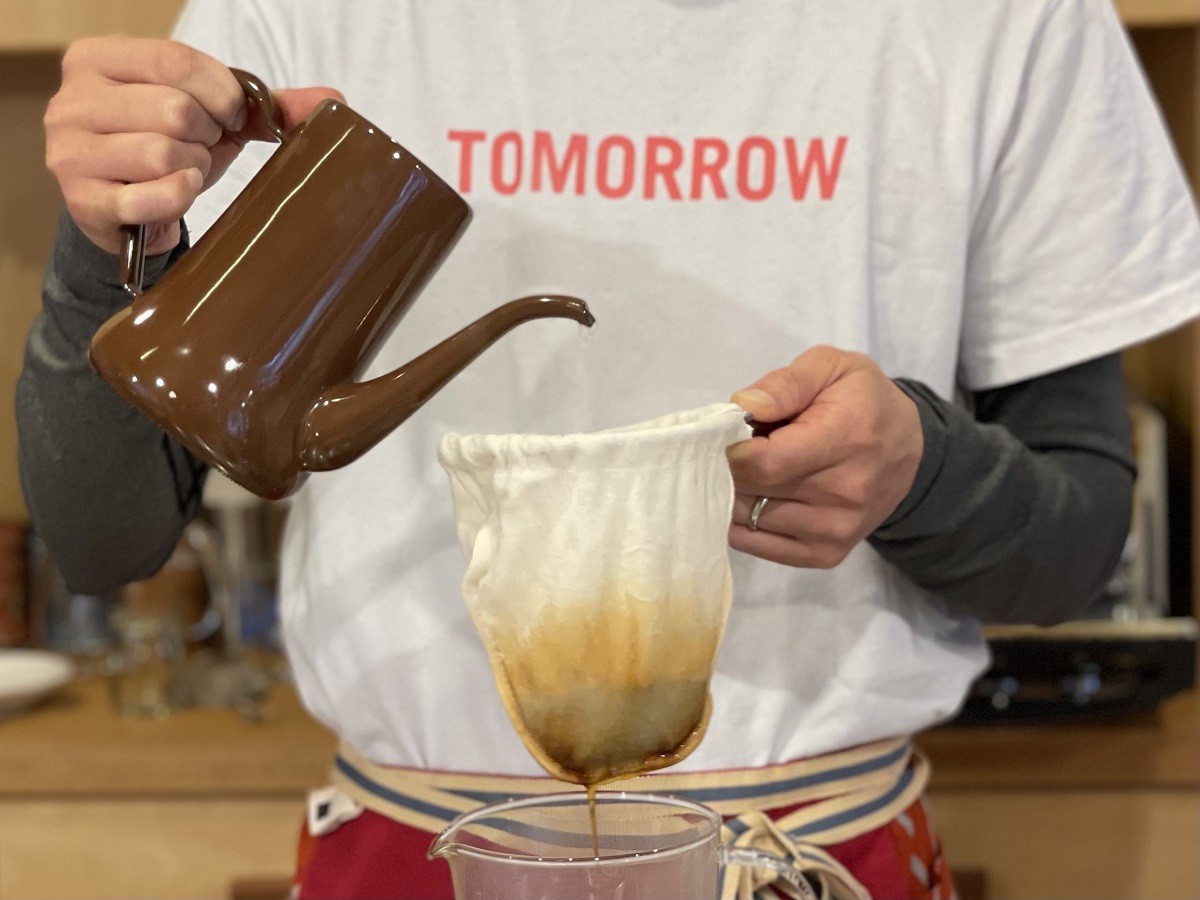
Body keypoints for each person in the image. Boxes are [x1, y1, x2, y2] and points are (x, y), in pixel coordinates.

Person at [19, 0, 1200, 897]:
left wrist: (922, 470)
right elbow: (106, 537)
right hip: (414, 853)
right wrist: (106, 244)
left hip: (804, 856)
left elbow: (1076, 542)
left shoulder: (1009, 23)